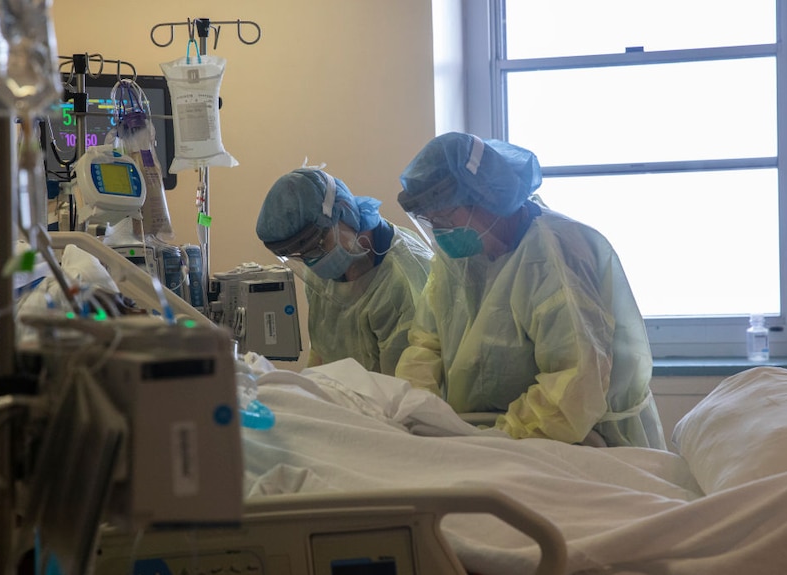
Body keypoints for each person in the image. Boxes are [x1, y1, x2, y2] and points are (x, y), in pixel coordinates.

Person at [394, 132, 665, 448]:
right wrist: (420, 409)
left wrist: (500, 438)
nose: (440, 231)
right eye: (431, 220)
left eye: (444, 216)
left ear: (484, 198)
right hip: (490, 440)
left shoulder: (555, 258)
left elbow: (575, 382)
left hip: (578, 442)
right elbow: (427, 342)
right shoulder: (461, 258)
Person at [256, 166, 433, 376]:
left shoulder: (401, 277)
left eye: (316, 246)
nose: (311, 260)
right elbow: (321, 352)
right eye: (300, 255)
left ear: (343, 212)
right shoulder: (322, 270)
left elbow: (403, 385)